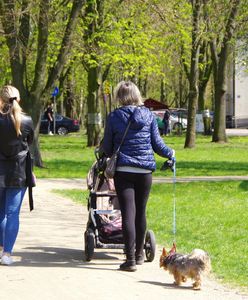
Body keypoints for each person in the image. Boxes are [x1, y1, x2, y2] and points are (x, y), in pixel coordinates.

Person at [102, 81, 175, 272]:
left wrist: (103, 152)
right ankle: (140, 254)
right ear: (137, 95)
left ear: (119, 96)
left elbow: (107, 148)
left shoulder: (114, 116)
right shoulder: (148, 116)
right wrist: (170, 153)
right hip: (145, 172)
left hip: (124, 170)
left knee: (128, 213)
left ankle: (130, 259)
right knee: (141, 212)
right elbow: (157, 144)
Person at [0, 85, 34, 265]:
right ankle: (7, 253)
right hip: (18, 172)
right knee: (12, 214)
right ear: (18, 99)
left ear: (1, 100)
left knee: (0, 213)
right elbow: (30, 143)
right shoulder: (27, 121)